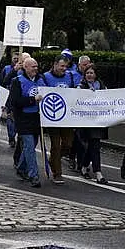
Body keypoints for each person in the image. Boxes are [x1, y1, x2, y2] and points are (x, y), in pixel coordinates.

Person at [10, 57, 45, 188]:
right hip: (23, 119)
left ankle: (20, 167)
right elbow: (16, 101)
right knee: (29, 146)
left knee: (30, 146)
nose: (35, 69)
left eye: (36, 66)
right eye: (32, 67)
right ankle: (33, 175)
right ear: (25, 67)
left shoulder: (41, 80)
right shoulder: (17, 81)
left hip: (36, 118)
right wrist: (32, 99)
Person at [44, 55, 75, 184]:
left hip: (66, 117)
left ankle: (53, 160)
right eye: (62, 66)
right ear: (55, 64)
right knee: (56, 145)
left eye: (66, 66)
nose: (64, 69)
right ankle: (57, 173)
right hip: (53, 117)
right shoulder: (46, 77)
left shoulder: (70, 77)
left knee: (68, 144)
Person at [77, 64, 108, 184]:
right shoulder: (81, 87)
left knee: (94, 145)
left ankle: (90, 168)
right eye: (87, 73)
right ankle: (93, 170)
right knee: (92, 146)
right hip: (86, 121)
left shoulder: (102, 86)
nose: (90, 75)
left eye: (92, 73)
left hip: (98, 120)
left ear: (96, 74)